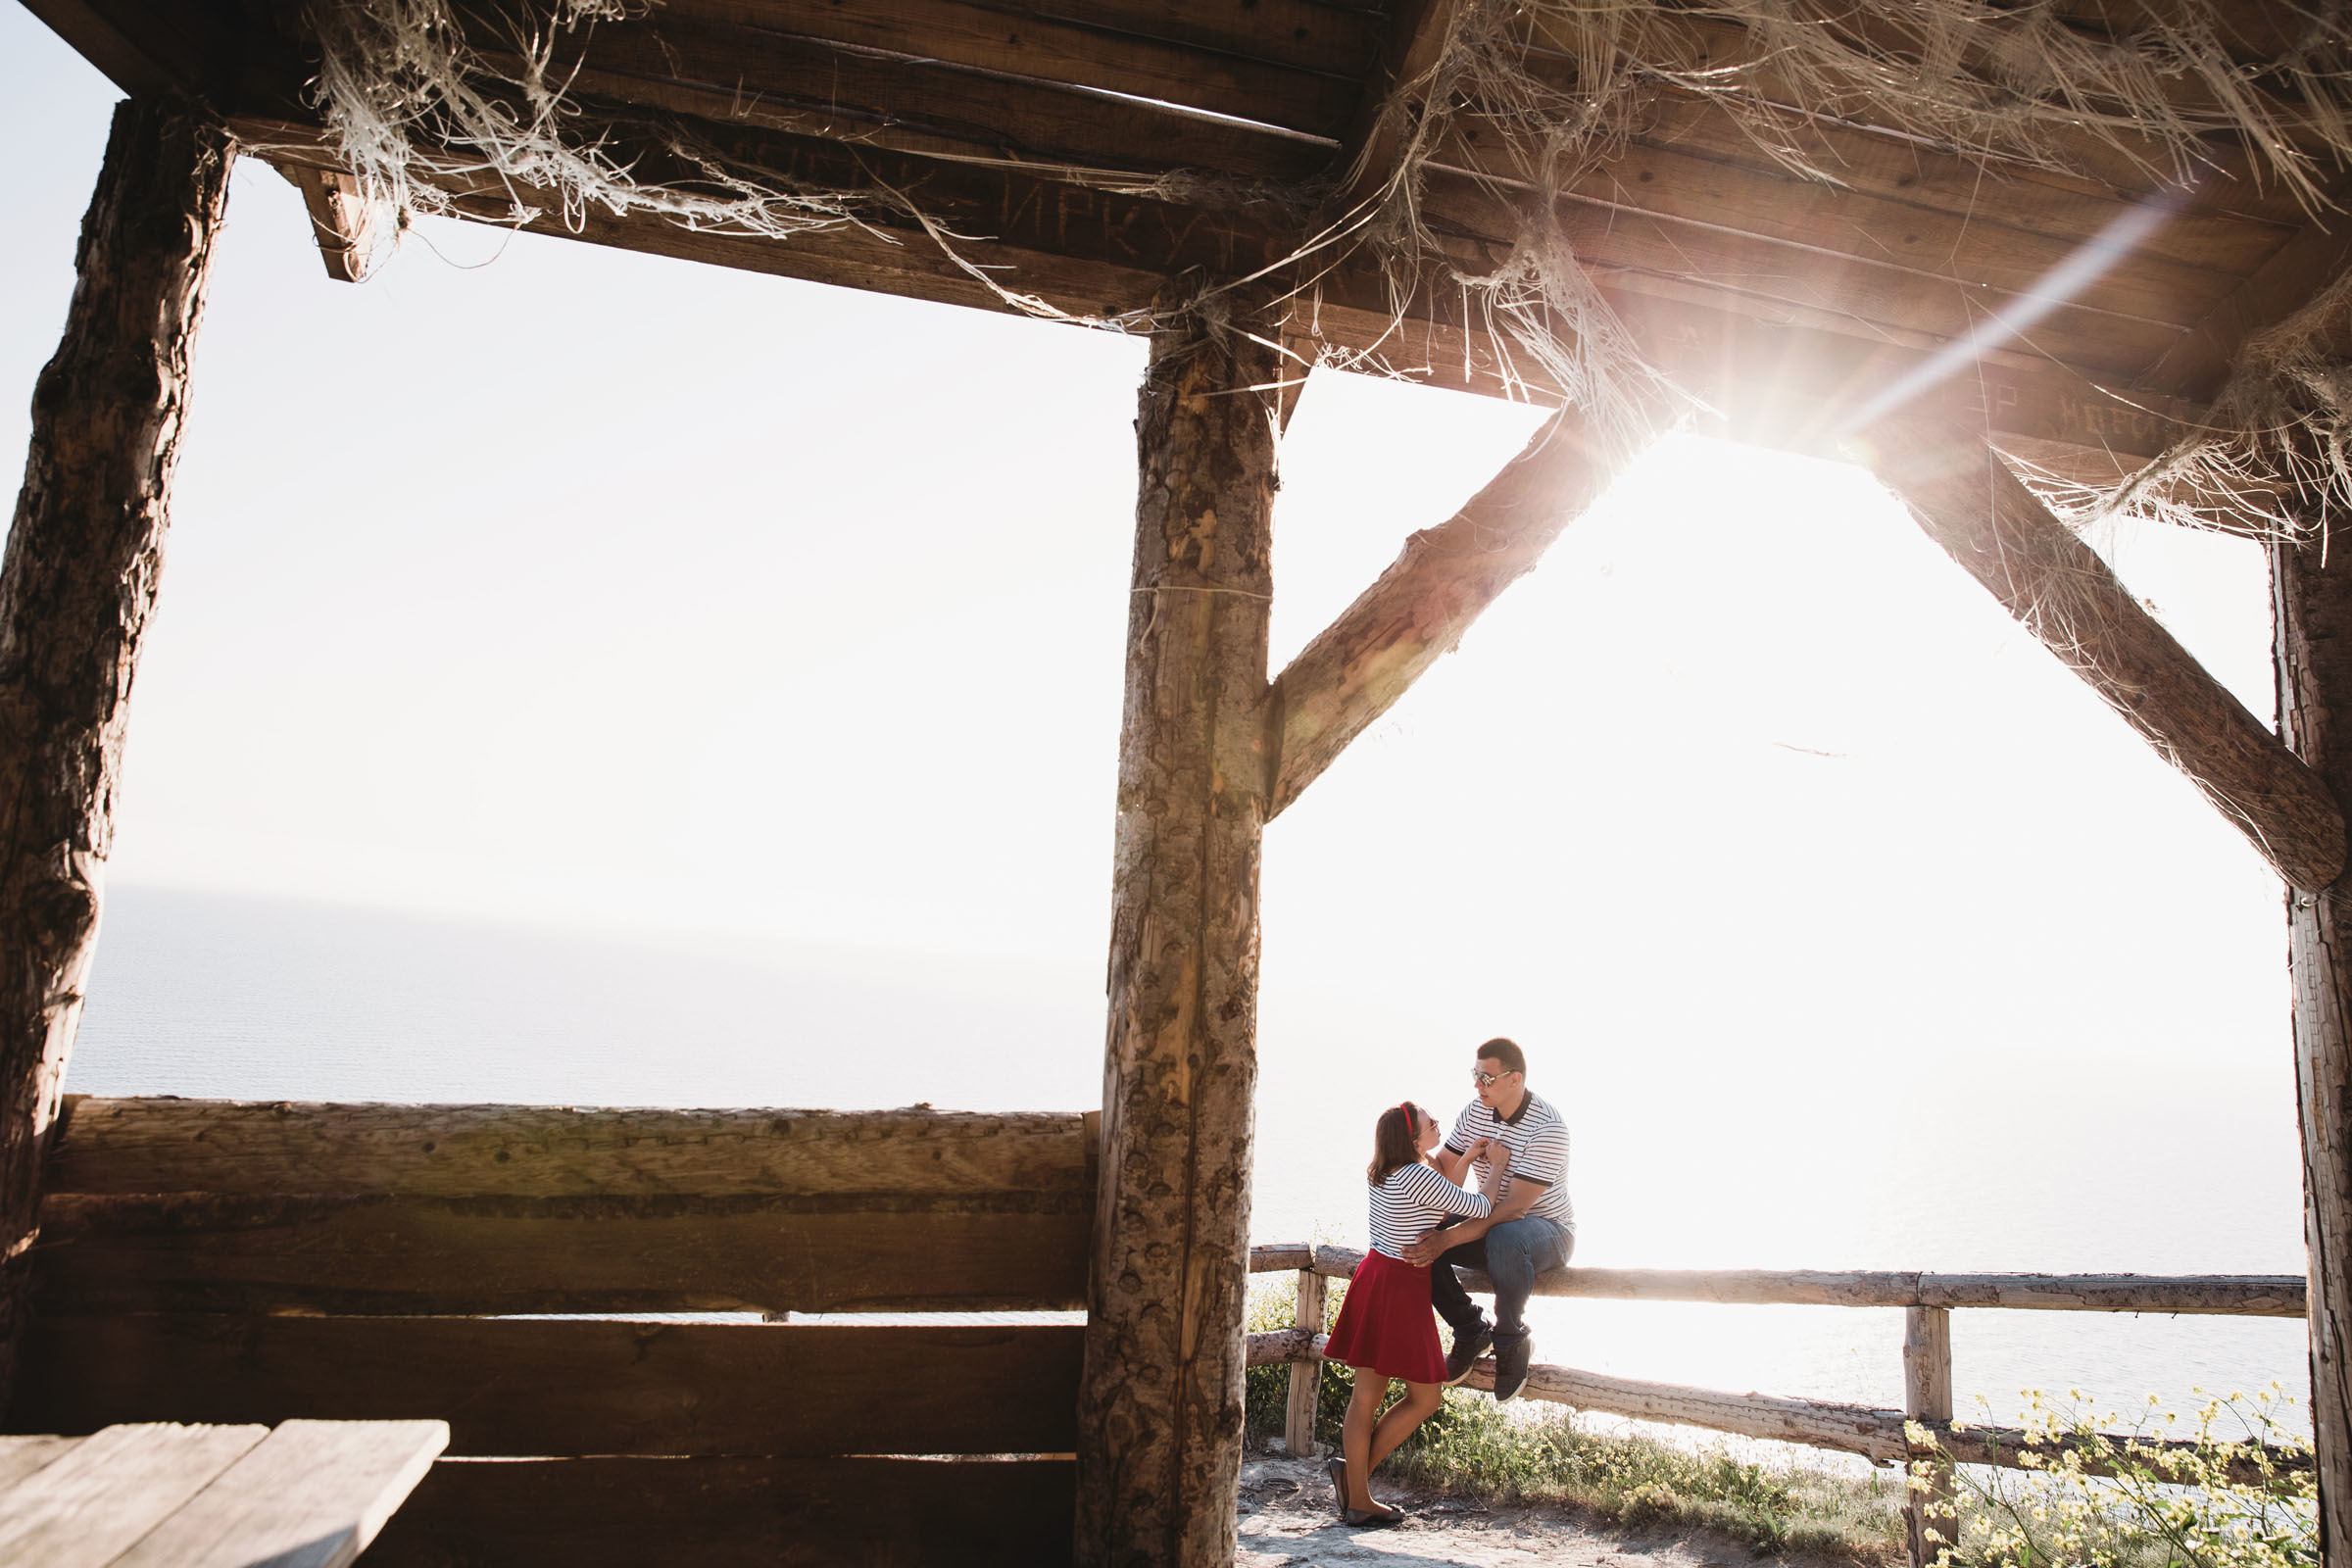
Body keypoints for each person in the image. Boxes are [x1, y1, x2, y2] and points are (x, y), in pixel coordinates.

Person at [1320, 1099, 1507, 1527]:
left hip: (1376, 1276)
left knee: (1364, 1399)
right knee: (1425, 1398)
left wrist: (1467, 1159)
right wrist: (1496, 1166)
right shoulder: (1417, 1175)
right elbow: (1480, 1207)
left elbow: (1438, 1207)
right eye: (1431, 1123)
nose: (1438, 1125)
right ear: (1413, 1139)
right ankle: (1357, 1491)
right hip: (1401, 1289)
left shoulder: (1385, 1171)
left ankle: (1355, 1488)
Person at [1403, 1036, 1575, 1401]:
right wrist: (1409, 1150)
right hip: (1492, 1224)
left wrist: (1448, 1239)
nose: (1478, 1085)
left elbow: (1513, 1209)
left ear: (1515, 1079)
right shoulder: (1474, 1113)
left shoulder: (1549, 1128)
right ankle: (1470, 1328)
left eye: (1487, 1078)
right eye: (1476, 1075)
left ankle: (1511, 1339)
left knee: (1504, 1236)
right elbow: (1444, 1173)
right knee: (1419, 1235)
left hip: (1549, 1232)